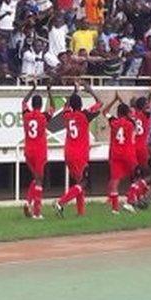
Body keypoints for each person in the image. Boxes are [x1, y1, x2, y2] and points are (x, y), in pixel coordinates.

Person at [54, 83, 102, 217]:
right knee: (84, 182)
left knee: (79, 183)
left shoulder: (67, 115)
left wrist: (74, 91)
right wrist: (90, 90)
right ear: (81, 105)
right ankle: (61, 202)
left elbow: (65, 107)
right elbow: (100, 103)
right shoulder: (85, 115)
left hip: (68, 152)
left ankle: (81, 213)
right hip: (79, 153)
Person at [21, 82, 54, 219]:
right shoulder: (43, 117)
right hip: (39, 151)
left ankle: (28, 202)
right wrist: (49, 92)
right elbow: (53, 107)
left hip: (28, 150)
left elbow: (23, 102)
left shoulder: (26, 115)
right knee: (40, 180)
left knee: (36, 178)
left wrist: (32, 89)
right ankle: (37, 212)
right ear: (40, 105)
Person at [102, 93, 138, 214]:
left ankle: (115, 208)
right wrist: (122, 102)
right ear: (127, 113)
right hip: (128, 153)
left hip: (116, 153)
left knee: (115, 180)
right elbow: (131, 116)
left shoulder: (113, 121)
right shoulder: (131, 123)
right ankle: (129, 201)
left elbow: (105, 111)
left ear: (117, 113)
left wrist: (114, 100)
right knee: (136, 177)